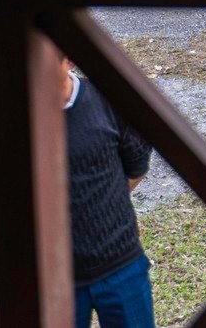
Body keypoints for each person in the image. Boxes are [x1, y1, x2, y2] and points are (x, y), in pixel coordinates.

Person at [37, 55, 157, 328]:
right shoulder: (9, 120)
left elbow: (135, 168)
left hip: (121, 265)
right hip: (52, 277)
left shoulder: (108, 100)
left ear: (69, 60)